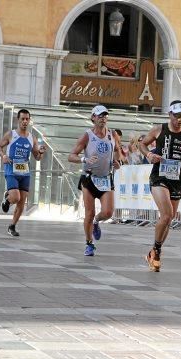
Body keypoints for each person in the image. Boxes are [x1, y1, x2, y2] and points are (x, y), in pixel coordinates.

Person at [139, 100, 181, 272]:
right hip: (159, 177)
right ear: (170, 114)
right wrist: (149, 154)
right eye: (176, 116)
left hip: (176, 180)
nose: (180, 120)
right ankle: (156, 251)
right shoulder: (159, 129)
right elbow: (141, 144)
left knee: (168, 220)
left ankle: (155, 251)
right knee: (167, 215)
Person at [68, 105, 122, 256]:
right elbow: (71, 155)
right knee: (89, 212)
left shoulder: (112, 135)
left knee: (108, 212)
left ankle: (97, 222)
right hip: (89, 178)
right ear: (93, 118)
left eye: (105, 116)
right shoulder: (87, 135)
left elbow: (118, 151)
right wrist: (85, 159)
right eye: (99, 116)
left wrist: (117, 162)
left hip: (106, 178)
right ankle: (89, 243)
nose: (103, 119)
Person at [0, 109, 46, 236]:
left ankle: (12, 226)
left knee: (21, 202)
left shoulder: (32, 138)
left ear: (29, 121)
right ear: (18, 120)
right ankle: (7, 199)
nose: (25, 121)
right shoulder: (11, 134)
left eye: (27, 119)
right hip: (11, 170)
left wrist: (40, 152)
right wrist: (3, 155)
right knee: (15, 197)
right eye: (22, 119)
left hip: (24, 172)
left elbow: (37, 157)